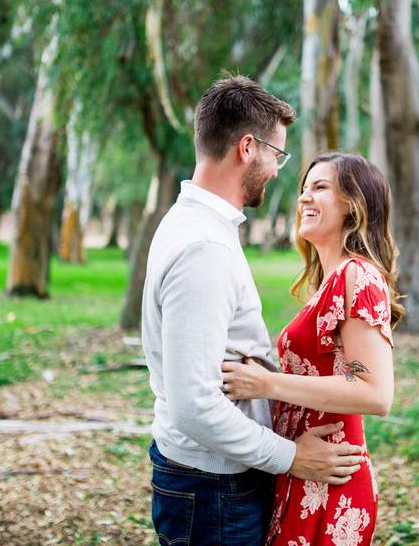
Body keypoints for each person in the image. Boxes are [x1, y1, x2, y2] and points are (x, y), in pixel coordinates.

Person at [141, 77, 366, 546]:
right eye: (277, 155)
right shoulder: (204, 246)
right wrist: (290, 457)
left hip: (210, 482)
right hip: (214, 489)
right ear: (248, 147)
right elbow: (194, 406)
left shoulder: (194, 224)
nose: (280, 170)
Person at [222, 152, 403, 546]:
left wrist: (266, 384)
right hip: (302, 468)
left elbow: (374, 392)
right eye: (304, 189)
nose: (304, 197)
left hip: (330, 478)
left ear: (353, 205)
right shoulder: (329, 281)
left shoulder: (359, 276)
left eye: (320, 188)